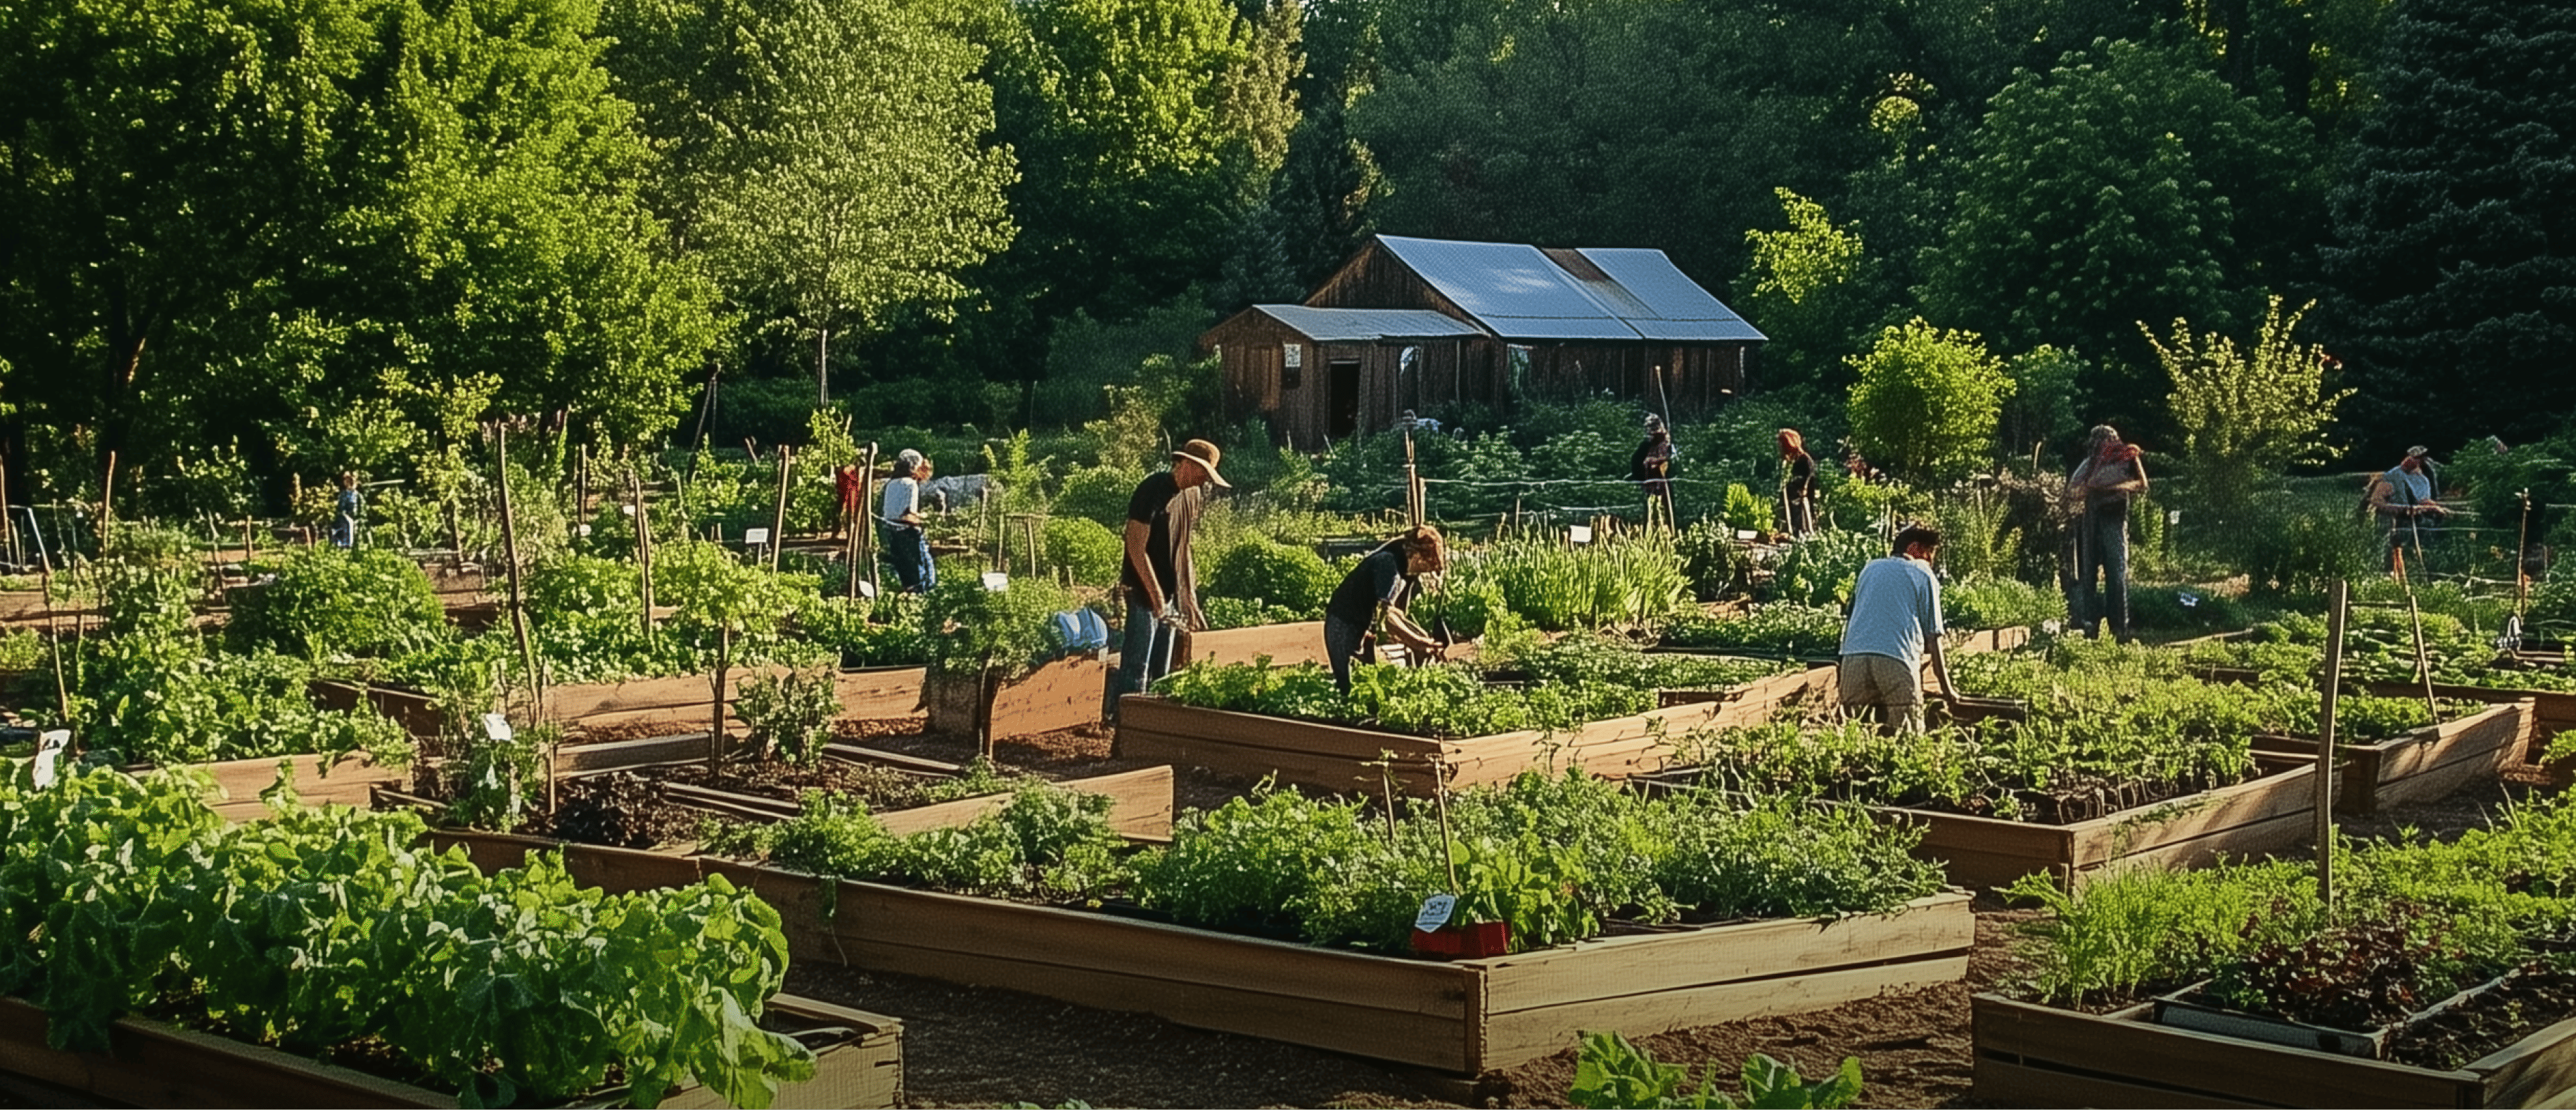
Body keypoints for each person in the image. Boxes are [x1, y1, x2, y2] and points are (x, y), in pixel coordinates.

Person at [1109, 439, 1227, 714]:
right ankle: (1124, 723)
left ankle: (1155, 727)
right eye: (1201, 473)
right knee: (1138, 664)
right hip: (1142, 591)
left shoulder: (1189, 496)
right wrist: (1155, 593)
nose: (1203, 481)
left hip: (1168, 593)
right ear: (1186, 464)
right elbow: (1135, 545)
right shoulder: (1153, 489)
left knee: (1162, 669)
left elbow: (1183, 547)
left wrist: (1185, 593)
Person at [1839, 524, 1955, 732]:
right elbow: (1934, 637)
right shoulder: (1922, 573)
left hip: (1854, 657)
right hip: (1896, 657)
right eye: (1930, 554)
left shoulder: (1870, 568)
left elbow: (1851, 614)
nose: (1931, 561)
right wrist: (1947, 689)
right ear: (1915, 549)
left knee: (1857, 734)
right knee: (1907, 734)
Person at [1322, 526, 1447, 695]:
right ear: (1417, 556)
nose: (1427, 572)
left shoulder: (1408, 570)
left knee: (1369, 687)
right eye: (1428, 567)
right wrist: (1418, 642)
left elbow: (1398, 614)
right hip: (1344, 624)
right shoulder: (1388, 564)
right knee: (1348, 687)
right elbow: (1386, 618)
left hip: (1364, 628)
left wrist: (1423, 639)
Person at [2064, 425, 2147, 641]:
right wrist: (2090, 488)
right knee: (2088, 575)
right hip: (2092, 519)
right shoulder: (2091, 463)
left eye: (2109, 440)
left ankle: (2119, 630)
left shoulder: (2127, 459)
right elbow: (2072, 490)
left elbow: (2143, 484)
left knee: (2117, 576)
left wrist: (2114, 487)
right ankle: (2088, 626)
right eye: (2101, 441)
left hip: (2115, 519)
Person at [2373, 450, 2449, 570]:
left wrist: (2436, 508)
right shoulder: (2393, 476)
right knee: (2390, 553)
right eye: (2411, 457)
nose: (2411, 460)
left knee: (2414, 550)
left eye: (2417, 459)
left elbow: (2423, 501)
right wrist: (2400, 509)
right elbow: (2377, 500)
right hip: (2392, 522)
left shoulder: (2422, 480)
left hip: (2413, 522)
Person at [879, 451, 936, 594]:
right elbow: (907, 514)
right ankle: (924, 600)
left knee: (906, 572)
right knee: (925, 574)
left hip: (893, 533)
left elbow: (890, 512)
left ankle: (909, 600)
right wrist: (924, 519)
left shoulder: (891, 484)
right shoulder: (911, 485)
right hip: (909, 533)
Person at [1629, 414, 1676, 526]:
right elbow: (1638, 461)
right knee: (1651, 510)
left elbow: (1670, 461)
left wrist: (1654, 463)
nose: (1650, 432)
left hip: (1660, 483)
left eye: (1653, 428)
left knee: (1661, 510)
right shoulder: (1647, 445)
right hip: (1648, 481)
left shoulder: (1664, 444)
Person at [1778, 429, 1819, 537]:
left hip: (1802, 497)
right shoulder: (1794, 460)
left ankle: (1805, 533)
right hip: (1794, 497)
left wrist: (1804, 487)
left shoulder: (1805, 459)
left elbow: (1810, 475)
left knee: (1803, 519)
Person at [331, 472, 362, 549]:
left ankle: (348, 545)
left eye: (349, 481)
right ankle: (344, 544)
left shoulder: (357, 495)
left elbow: (360, 507)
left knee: (350, 522)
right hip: (343, 516)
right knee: (347, 522)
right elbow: (340, 507)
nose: (347, 483)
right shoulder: (343, 494)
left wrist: (359, 516)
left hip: (354, 516)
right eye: (345, 481)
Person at [835, 463, 864, 539]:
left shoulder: (851, 472)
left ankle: (852, 536)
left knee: (852, 515)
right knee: (850, 515)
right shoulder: (847, 472)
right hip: (851, 497)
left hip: (853, 497)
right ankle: (850, 535)